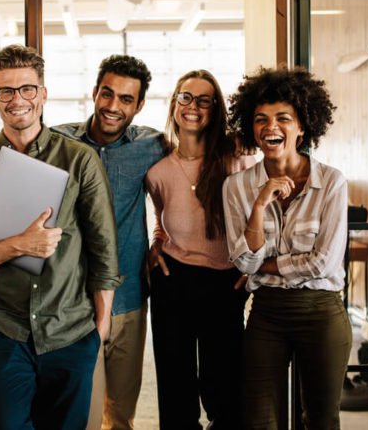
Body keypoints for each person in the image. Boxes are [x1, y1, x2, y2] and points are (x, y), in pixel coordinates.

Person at [0, 44, 121, 430]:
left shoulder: (79, 160)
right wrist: (19, 245)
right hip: (6, 332)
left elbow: (104, 253)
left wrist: (98, 332)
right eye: (6, 91)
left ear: (42, 93)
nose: (17, 99)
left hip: (71, 332)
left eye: (27, 89)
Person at [223, 66, 352, 430]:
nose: (270, 127)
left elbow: (324, 264)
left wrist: (264, 264)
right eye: (261, 119)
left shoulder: (331, 182)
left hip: (322, 311)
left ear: (302, 126)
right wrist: (260, 203)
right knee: (259, 420)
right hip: (267, 314)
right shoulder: (237, 187)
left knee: (322, 419)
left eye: (283, 118)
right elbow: (243, 261)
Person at [53, 54, 166, 430]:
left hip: (129, 296)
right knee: (76, 410)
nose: (113, 106)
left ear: (140, 104)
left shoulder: (153, 145)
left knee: (119, 413)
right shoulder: (57, 142)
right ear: (95, 92)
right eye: (107, 94)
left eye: (126, 99)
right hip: (72, 300)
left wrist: (163, 236)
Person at [145, 69, 253, 430]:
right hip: (173, 279)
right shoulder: (158, 170)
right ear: (175, 104)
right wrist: (157, 243)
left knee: (225, 388)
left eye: (204, 100)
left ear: (215, 108)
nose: (193, 106)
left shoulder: (237, 155)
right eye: (186, 97)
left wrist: (255, 264)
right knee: (175, 387)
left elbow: (260, 213)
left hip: (226, 283)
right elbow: (162, 217)